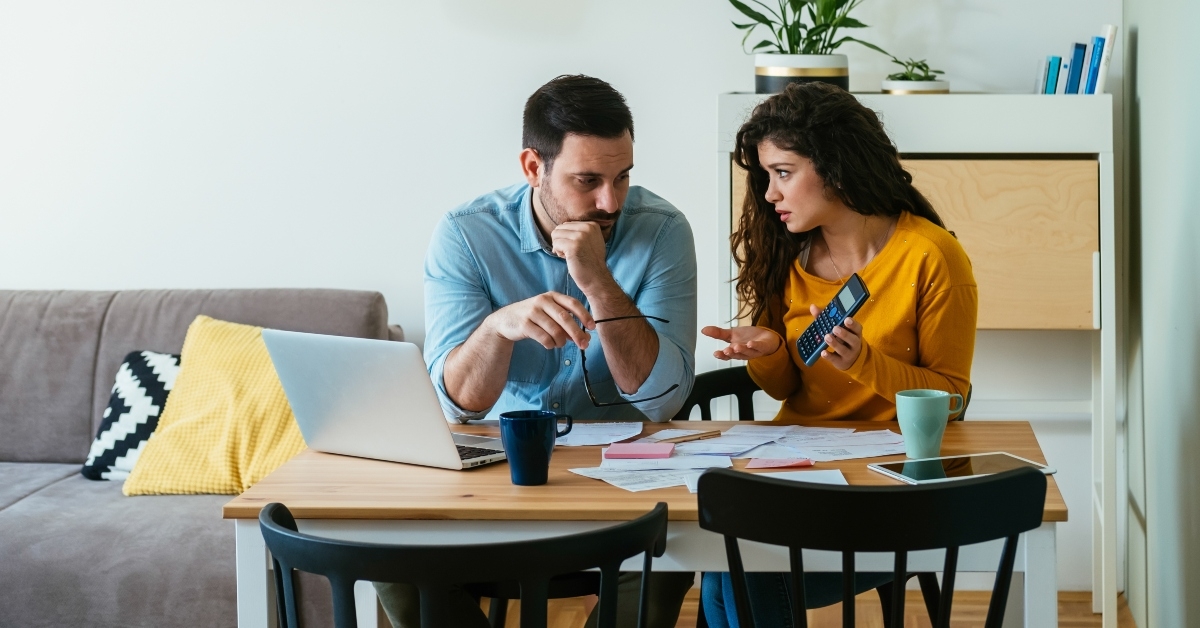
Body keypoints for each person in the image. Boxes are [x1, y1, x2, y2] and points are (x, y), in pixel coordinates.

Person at [374, 75, 697, 628]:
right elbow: (460, 405)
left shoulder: (661, 230)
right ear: (533, 167)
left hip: (619, 480)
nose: (609, 202)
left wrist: (598, 282)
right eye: (587, 180)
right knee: (389, 559)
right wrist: (496, 329)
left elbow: (662, 400)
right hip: (493, 477)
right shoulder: (467, 235)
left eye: (622, 178)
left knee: (665, 559)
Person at [700, 82, 978, 626]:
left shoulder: (931, 256)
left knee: (741, 570)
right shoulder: (789, 253)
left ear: (836, 163)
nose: (770, 194)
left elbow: (953, 400)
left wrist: (866, 364)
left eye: (783, 173)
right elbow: (785, 391)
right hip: (803, 466)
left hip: (894, 485)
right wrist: (770, 350)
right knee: (723, 562)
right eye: (765, 177)